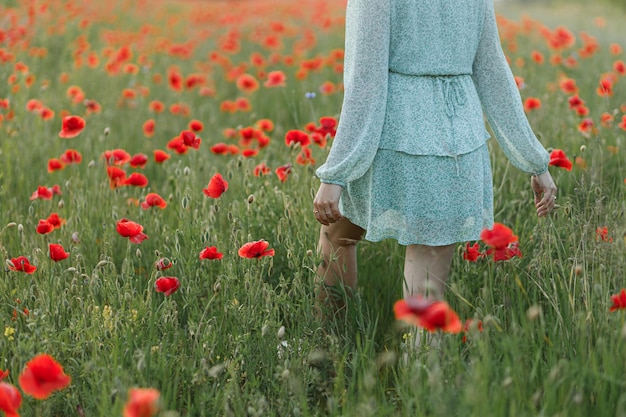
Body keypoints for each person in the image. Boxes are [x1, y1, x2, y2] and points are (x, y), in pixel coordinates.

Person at [312, 0, 557, 314]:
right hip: (459, 145)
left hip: (393, 140)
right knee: (426, 288)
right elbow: (494, 73)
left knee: (336, 236)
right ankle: (426, 362)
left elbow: (365, 82)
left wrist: (336, 173)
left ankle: (330, 345)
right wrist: (535, 161)